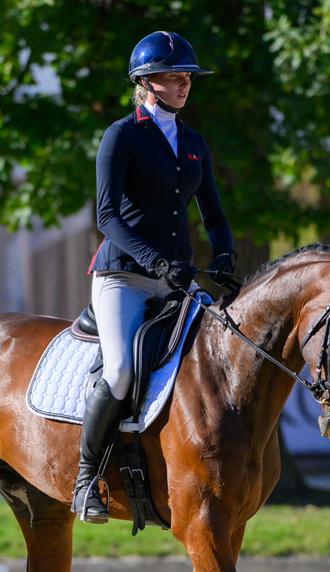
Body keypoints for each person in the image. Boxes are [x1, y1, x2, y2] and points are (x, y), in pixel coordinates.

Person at [72, 30, 238, 523]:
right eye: (172, 75)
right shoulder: (121, 135)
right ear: (145, 82)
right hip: (123, 277)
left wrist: (225, 254)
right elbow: (107, 217)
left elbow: (213, 213)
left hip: (177, 278)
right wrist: (155, 261)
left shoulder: (193, 143)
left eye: (187, 75)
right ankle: (86, 478)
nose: (184, 82)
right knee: (121, 370)